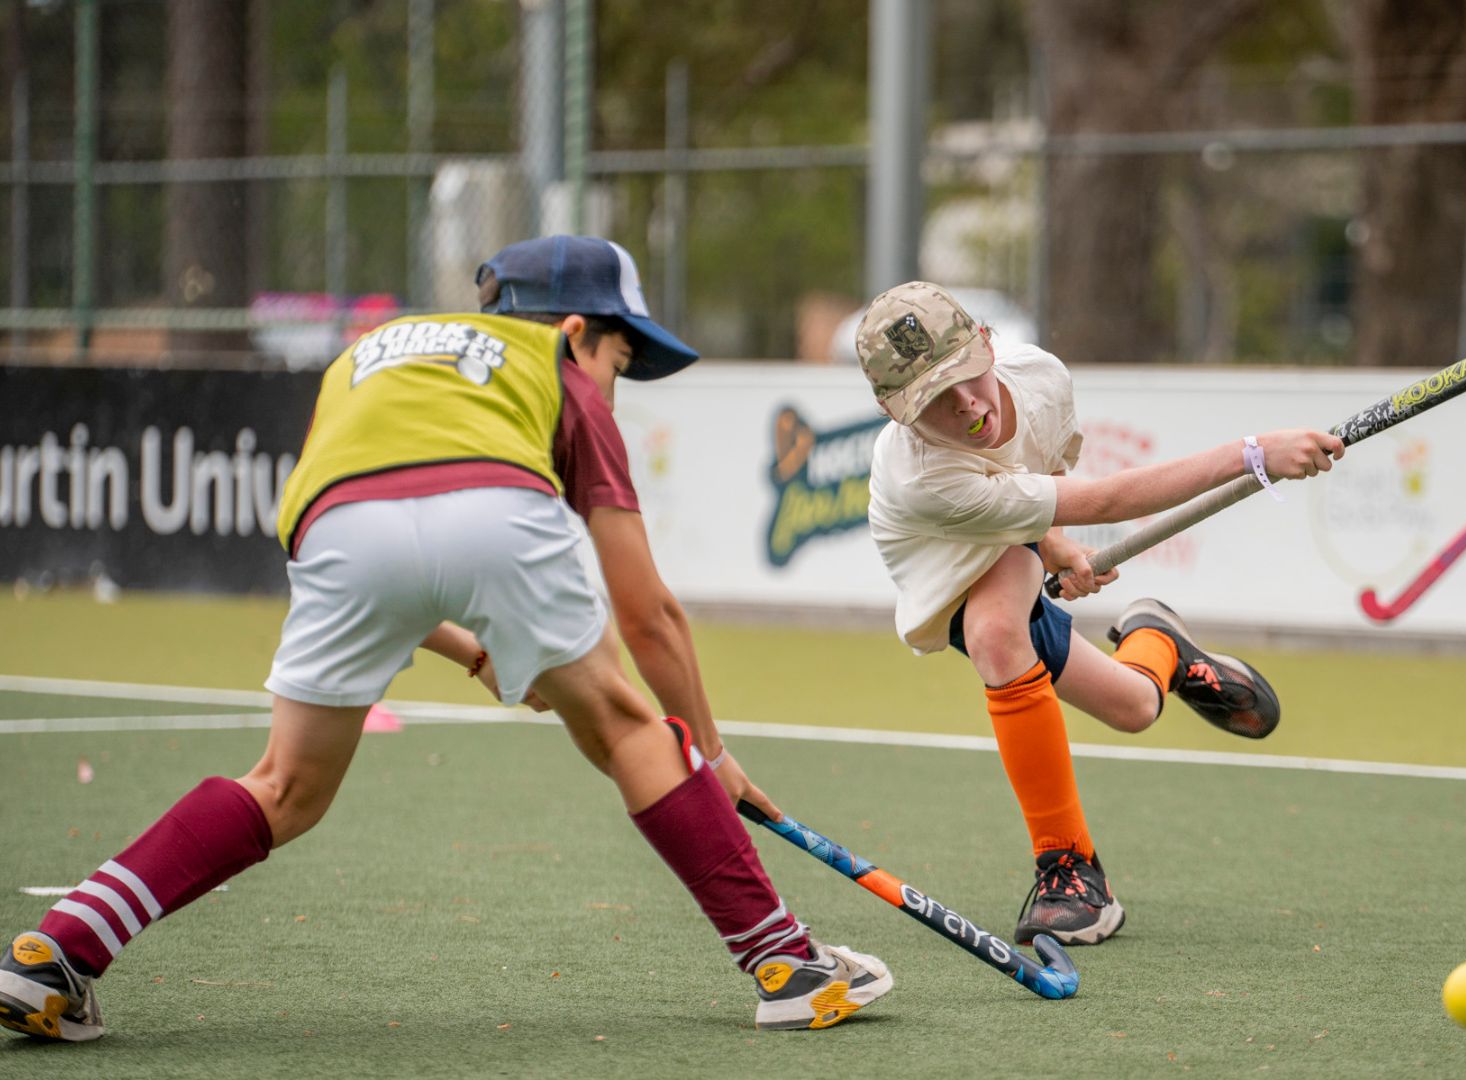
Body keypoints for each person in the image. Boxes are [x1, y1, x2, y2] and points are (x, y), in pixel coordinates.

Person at [0, 236, 890, 1042]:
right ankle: (790, 966)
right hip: (499, 509)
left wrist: (474, 646)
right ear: (577, 329)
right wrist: (706, 748)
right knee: (631, 731)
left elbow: (377, 534)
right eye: (621, 358)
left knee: (284, 785)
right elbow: (647, 610)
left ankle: (57, 952)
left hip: (333, 530)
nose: (613, 381)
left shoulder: (365, 358)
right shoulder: (558, 371)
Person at [856, 281, 1344, 946]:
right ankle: (1158, 646)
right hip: (946, 577)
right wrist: (1253, 456)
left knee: (1011, 639)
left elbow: (1035, 485)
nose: (967, 406)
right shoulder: (921, 478)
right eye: (936, 400)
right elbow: (1103, 501)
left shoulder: (1040, 383)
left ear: (988, 344)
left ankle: (1072, 870)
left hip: (1001, 552)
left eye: (967, 375)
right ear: (896, 413)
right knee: (1130, 705)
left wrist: (1053, 550)